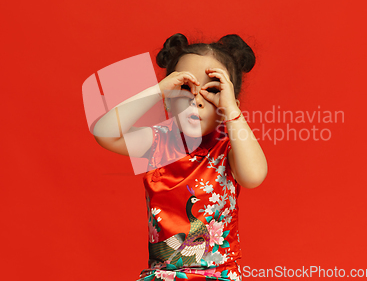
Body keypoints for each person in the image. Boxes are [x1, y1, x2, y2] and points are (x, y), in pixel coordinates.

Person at [93, 33, 267, 281]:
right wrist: (156, 91)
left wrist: (231, 111)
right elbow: (105, 133)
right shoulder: (159, 142)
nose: (195, 99)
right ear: (167, 103)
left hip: (219, 275)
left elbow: (254, 176)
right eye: (185, 87)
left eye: (213, 89)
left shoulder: (229, 149)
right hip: (162, 275)